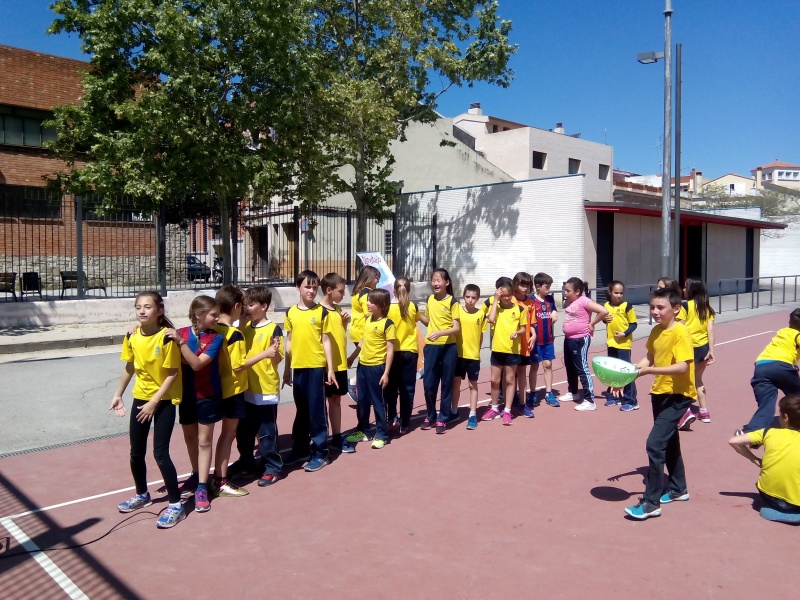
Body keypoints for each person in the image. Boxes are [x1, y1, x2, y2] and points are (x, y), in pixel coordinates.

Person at [620, 287, 696, 520]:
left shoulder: (681, 332)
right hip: (660, 393)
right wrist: (628, 373)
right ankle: (678, 488)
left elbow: (682, 366)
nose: (655, 311)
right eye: (652, 307)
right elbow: (649, 358)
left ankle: (651, 502)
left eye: (660, 307)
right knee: (669, 442)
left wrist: (649, 371)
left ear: (676, 309)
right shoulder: (656, 331)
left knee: (654, 445)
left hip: (678, 395)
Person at [110, 291, 185, 529]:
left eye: (148, 307)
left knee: (160, 453)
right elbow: (130, 367)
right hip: (141, 398)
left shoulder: (167, 338)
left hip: (163, 400)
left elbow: (172, 374)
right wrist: (118, 394)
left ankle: (176, 504)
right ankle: (142, 494)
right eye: (138, 307)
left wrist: (154, 402)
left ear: (159, 310)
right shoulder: (131, 335)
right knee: (135, 452)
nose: (142, 311)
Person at [170, 296, 224, 513]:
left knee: (204, 441)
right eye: (214, 315)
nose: (217, 318)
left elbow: (196, 364)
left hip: (207, 396)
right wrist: (135, 329)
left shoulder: (215, 338)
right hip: (186, 396)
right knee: (190, 438)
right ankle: (195, 474)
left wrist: (181, 344)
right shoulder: (181, 332)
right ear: (199, 314)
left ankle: (202, 486)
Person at [282, 270, 337, 472]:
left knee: (316, 411)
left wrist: (330, 369)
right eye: (307, 286)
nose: (311, 291)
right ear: (298, 287)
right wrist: (286, 369)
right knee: (302, 410)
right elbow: (288, 342)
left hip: (316, 367)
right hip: (298, 367)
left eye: (315, 287)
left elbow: (326, 341)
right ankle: (301, 449)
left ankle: (321, 452)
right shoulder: (290, 313)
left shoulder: (322, 312)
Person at [237, 285, 285, 487]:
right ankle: (247, 463)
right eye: (246, 304)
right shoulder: (245, 328)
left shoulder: (273, 329)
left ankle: (273, 466)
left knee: (266, 433)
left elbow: (277, 358)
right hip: (246, 388)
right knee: (244, 432)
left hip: (265, 389)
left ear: (264, 306)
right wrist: (241, 323)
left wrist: (272, 353)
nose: (247, 308)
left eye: (251, 304)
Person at [729, 394, 800, 523]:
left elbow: (733, 441)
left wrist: (755, 459)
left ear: (785, 417)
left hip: (768, 496)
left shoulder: (769, 432)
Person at [210, 285, 249, 497]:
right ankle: (221, 480)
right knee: (228, 434)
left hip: (214, 388)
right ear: (236, 306)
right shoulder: (235, 335)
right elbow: (238, 365)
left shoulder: (211, 329)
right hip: (233, 389)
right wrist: (266, 354)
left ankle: (208, 477)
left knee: (211, 436)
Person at [346, 288, 396, 450]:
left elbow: (390, 351)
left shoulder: (388, 324)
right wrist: (352, 357)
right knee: (362, 400)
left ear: (381, 305)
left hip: (377, 367)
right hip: (363, 366)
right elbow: (363, 341)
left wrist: (386, 372)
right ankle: (364, 431)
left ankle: (381, 434)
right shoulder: (368, 320)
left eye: (371, 301)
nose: (367, 303)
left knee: (377, 401)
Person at [741, 309, 800, 433]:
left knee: (766, 405)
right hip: (781, 366)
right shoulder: (797, 335)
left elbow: (783, 351)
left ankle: (752, 433)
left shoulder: (782, 332)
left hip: (761, 367)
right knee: (797, 397)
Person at [482, 277, 527, 425]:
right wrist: (495, 299)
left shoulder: (519, 309)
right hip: (497, 349)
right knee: (494, 380)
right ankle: (494, 408)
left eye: (509, 295)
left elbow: (523, 328)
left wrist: (517, 333)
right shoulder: (496, 307)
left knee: (509, 380)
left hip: (512, 350)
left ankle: (507, 410)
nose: (507, 298)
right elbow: (491, 319)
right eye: (504, 295)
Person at [560, 277, 609, 411]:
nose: (565, 293)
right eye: (565, 290)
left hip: (580, 339)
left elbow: (603, 311)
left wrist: (592, 323)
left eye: (568, 291)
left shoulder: (584, 300)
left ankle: (589, 400)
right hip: (568, 339)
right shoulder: (571, 301)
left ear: (577, 291)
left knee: (582, 368)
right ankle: (573, 392)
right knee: (570, 366)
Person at [422, 268, 461, 434]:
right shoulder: (430, 299)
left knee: (446, 383)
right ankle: (430, 415)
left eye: (438, 280)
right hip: (431, 347)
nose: (435, 283)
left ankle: (443, 418)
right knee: (428, 384)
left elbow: (456, 328)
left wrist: (440, 333)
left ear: (447, 282)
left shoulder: (453, 302)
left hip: (448, 347)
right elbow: (428, 321)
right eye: (433, 280)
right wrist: (416, 314)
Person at [386, 277, 423, 436]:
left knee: (391, 388)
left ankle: (392, 417)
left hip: (392, 352)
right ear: (409, 290)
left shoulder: (387, 307)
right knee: (407, 389)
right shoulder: (413, 306)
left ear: (393, 290)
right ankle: (405, 423)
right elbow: (418, 320)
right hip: (410, 352)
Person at [677, 278, 716, 429]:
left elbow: (680, 328)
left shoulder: (685, 306)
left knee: (684, 380)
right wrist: (711, 350)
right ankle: (704, 412)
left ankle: (686, 410)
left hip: (689, 347)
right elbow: (710, 330)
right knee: (698, 379)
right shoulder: (707, 308)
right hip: (703, 348)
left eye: (685, 287)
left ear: (691, 290)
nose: (683, 290)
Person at [320, 273, 351, 451]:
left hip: (339, 364)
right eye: (341, 291)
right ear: (329, 290)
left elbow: (339, 335)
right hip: (324, 366)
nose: (343, 294)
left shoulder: (338, 310)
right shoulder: (318, 311)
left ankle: (337, 437)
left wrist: (345, 323)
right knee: (320, 403)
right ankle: (319, 440)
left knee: (336, 400)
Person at [453, 284, 487, 430]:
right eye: (467, 297)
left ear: (477, 298)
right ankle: (454, 411)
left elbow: (480, 335)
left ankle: (472, 414)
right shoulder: (457, 311)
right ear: (463, 296)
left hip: (473, 356)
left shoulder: (481, 314)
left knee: (473, 385)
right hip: (458, 355)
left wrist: (477, 352)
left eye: (473, 297)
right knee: (455, 384)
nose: (470, 300)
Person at [602, 280, 638, 411]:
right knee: (613, 371)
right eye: (616, 293)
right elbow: (604, 318)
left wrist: (624, 333)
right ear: (610, 292)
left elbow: (633, 324)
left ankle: (631, 400)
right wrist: (604, 319)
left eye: (621, 293)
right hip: (611, 343)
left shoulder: (627, 306)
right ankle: (614, 396)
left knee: (626, 371)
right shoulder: (606, 305)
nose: (619, 295)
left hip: (624, 344)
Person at [529, 272, 559, 408]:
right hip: (535, 341)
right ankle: (533, 392)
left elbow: (554, 310)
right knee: (534, 366)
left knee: (548, 365)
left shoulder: (550, 299)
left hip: (548, 340)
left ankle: (549, 393)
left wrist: (555, 312)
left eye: (550, 287)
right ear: (538, 286)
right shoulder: (530, 300)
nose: (549, 289)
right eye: (546, 287)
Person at [511, 272, 537, 417]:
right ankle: (508, 403)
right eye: (522, 285)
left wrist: (534, 335)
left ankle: (523, 403)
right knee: (509, 375)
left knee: (522, 373)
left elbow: (531, 323)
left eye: (527, 285)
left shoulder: (530, 302)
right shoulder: (509, 299)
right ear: (515, 284)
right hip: (510, 344)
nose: (525, 288)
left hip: (524, 345)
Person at [349, 265, 380, 346]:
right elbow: (368, 314)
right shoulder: (366, 292)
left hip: (356, 330)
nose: (378, 281)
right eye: (376, 278)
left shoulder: (358, 291)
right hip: (363, 332)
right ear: (369, 278)